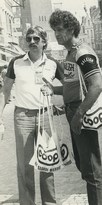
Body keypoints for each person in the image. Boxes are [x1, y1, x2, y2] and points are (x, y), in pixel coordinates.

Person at [49, 10, 102, 205]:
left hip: (81, 112)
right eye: (54, 30)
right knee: (82, 163)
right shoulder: (70, 53)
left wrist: (78, 114)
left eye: (60, 30)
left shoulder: (82, 53)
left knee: (91, 168)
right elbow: (71, 87)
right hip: (72, 110)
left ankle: (100, 200)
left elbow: (97, 85)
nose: (56, 34)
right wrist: (52, 89)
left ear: (71, 29)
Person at [0, 26, 63, 205]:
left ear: (44, 41)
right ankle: (27, 203)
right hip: (23, 117)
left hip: (45, 116)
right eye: (29, 39)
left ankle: (49, 202)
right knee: (24, 165)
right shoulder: (16, 62)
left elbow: (70, 86)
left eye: (36, 38)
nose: (32, 42)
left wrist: (55, 92)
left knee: (47, 162)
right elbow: (5, 91)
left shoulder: (53, 63)